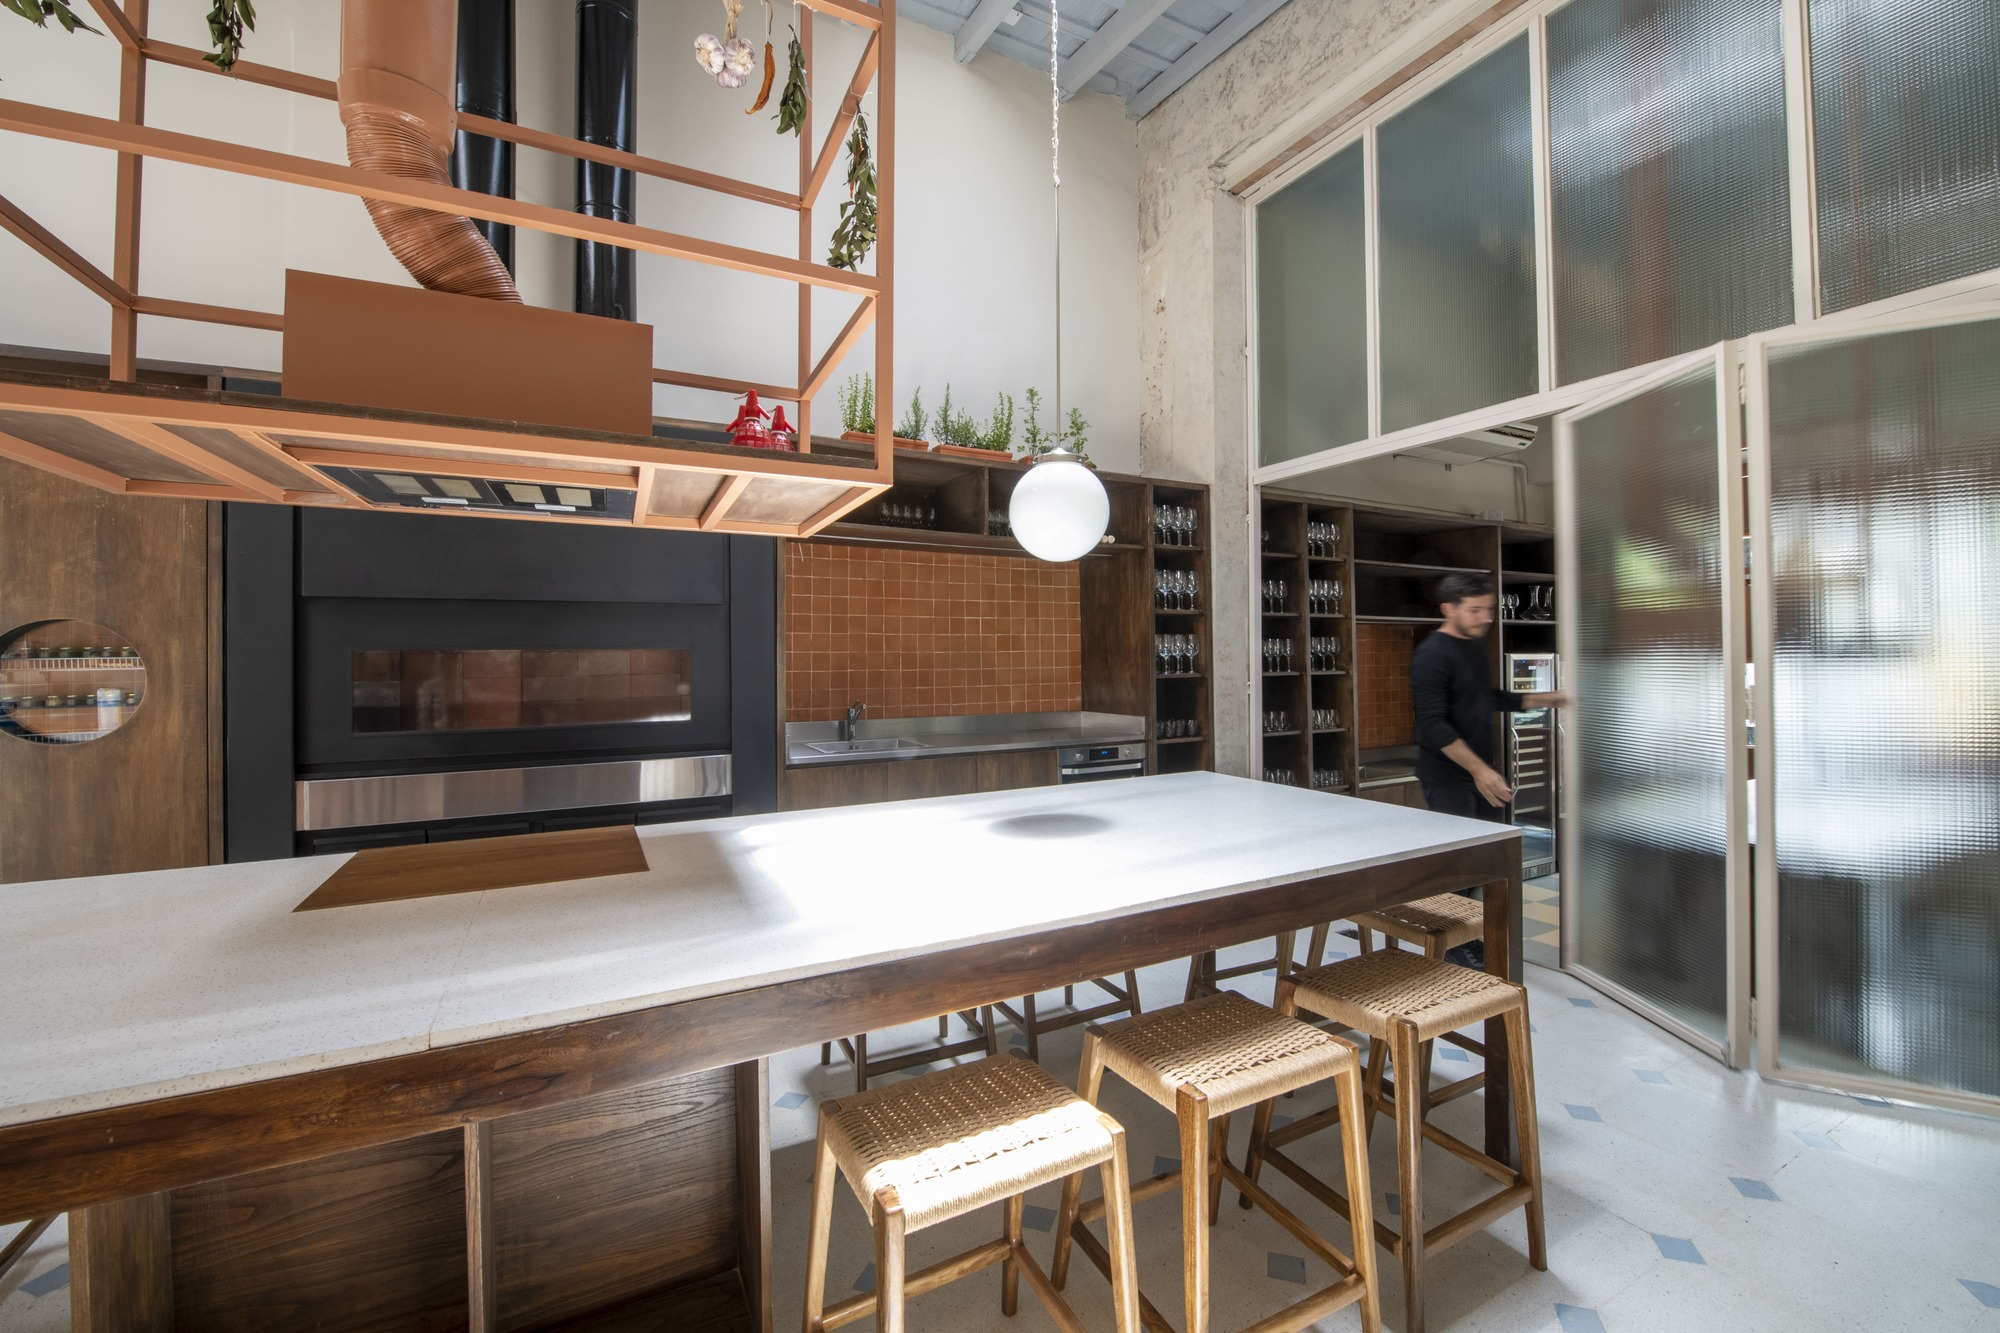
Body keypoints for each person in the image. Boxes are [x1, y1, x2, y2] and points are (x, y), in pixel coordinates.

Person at [1412, 573, 1567, 821]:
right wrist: (1480, 771)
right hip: (1448, 778)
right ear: (1449, 609)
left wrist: (1543, 699)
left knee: (1495, 842)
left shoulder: (1475, 645)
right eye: (1475, 610)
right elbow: (1433, 725)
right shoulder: (1431, 654)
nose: (1485, 618)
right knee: (1466, 844)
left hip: (1482, 769)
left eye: (1489, 609)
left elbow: (1481, 696)